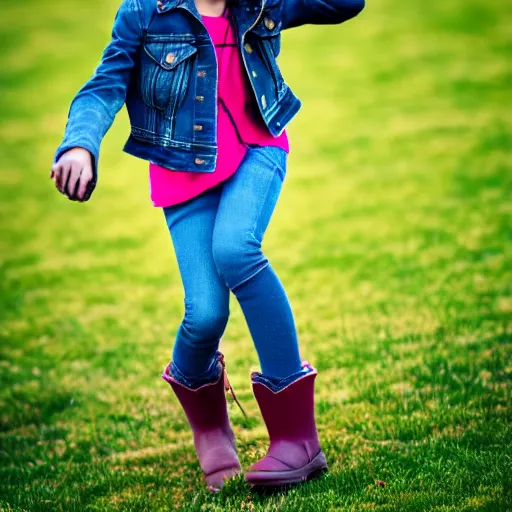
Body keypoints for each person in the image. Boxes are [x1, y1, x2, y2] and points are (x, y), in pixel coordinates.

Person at [50, 0, 365, 492]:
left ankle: (297, 440)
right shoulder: (144, 12)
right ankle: (211, 427)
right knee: (204, 315)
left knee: (236, 249)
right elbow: (104, 86)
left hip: (256, 147)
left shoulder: (262, 2)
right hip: (184, 168)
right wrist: (79, 143)